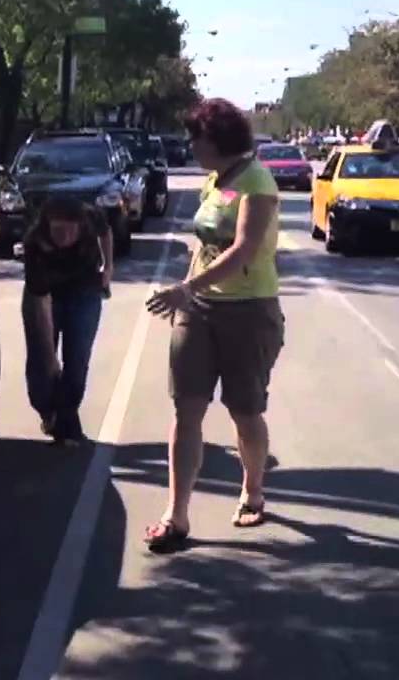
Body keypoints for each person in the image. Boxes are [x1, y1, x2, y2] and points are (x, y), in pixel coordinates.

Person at [143, 98, 284, 552]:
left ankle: (253, 489)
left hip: (248, 309)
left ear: (217, 140)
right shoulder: (214, 181)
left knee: (245, 412)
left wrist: (187, 289)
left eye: (196, 138)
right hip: (198, 309)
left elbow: (243, 250)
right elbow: (203, 247)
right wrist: (187, 292)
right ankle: (176, 513)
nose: (191, 145)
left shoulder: (256, 181)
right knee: (186, 409)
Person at [22, 194, 114, 445]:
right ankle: (48, 412)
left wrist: (108, 268)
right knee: (42, 364)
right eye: (58, 229)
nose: (65, 236)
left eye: (70, 230)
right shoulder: (35, 244)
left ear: (81, 225)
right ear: (47, 225)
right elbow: (42, 306)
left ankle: (66, 420)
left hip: (84, 292)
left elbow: (106, 233)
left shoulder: (90, 217)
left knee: (77, 359)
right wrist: (51, 357)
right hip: (45, 295)